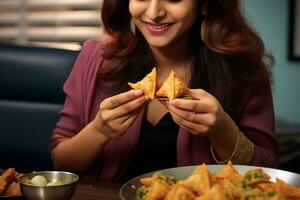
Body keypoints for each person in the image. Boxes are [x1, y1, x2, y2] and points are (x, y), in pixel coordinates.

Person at [51, 0, 279, 182]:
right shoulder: (95, 59)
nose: (154, 12)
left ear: (204, 4)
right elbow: (61, 163)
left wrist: (222, 130)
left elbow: (269, 176)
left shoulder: (244, 70)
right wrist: (99, 130)